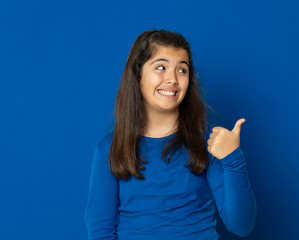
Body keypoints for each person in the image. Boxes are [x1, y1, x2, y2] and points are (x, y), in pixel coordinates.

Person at [84, 29, 257, 240]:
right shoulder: (110, 148)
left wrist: (233, 159)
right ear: (138, 76)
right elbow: (100, 232)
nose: (172, 79)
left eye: (182, 70)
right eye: (161, 67)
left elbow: (241, 225)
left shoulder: (207, 143)